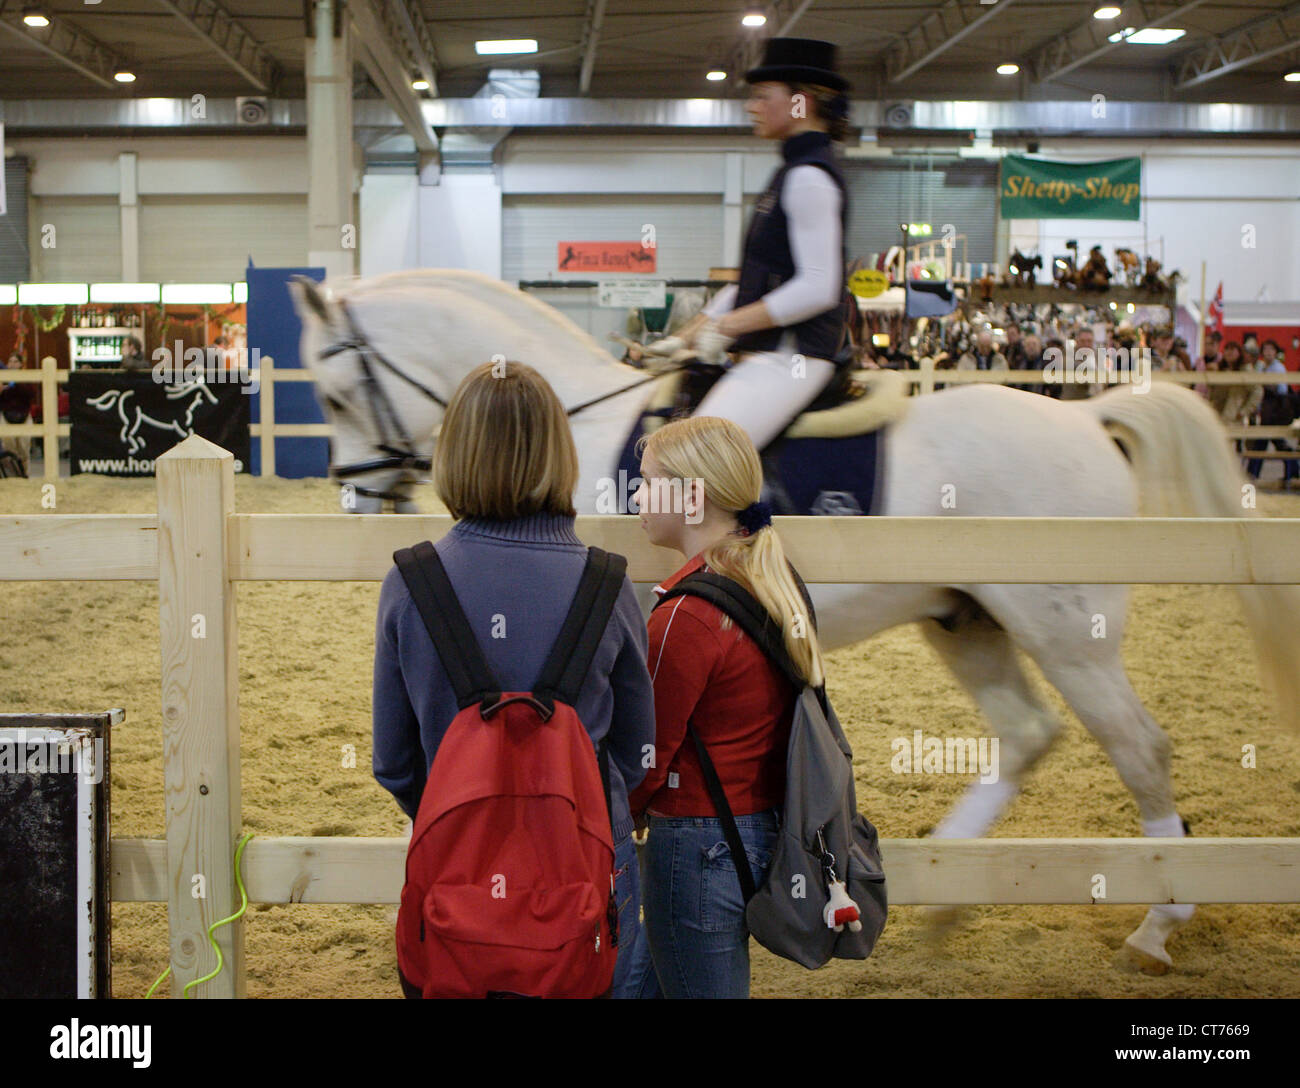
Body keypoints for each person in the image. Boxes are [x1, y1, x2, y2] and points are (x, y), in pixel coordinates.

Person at [371, 360, 656, 998]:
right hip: (585, 876)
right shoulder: (608, 583)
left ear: (455, 453)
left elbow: (393, 763)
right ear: (560, 454)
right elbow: (637, 757)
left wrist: (471, 809)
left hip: (457, 883)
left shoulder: (411, 582)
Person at [625, 414, 825, 998]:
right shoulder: (771, 579)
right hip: (753, 828)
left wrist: (621, 815)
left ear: (692, 497)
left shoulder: (684, 616)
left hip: (694, 841)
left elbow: (648, 752)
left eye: (647, 481)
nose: (636, 493)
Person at [662, 38, 852, 452]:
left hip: (794, 357)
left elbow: (819, 287)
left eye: (763, 96)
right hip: (772, 353)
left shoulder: (808, 177)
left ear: (801, 103)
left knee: (699, 456)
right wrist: (685, 337)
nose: (752, 106)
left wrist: (725, 327)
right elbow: (753, 284)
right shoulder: (789, 173)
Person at [1245, 340, 1298, 484]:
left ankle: (1252, 473)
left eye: (1271, 349)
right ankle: (1293, 469)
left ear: (1275, 352)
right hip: (1268, 411)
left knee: (1263, 441)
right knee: (1275, 441)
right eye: (1266, 349)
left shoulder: (1278, 368)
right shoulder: (1262, 368)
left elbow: (1281, 390)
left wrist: (1265, 385)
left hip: (1276, 411)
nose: (1268, 352)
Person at [1, 353, 35, 475]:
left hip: (23, 416)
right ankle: (13, 475)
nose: (12, 364)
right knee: (9, 447)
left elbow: (30, 394)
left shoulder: (26, 377)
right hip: (6, 416)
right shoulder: (2, 377)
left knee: (24, 448)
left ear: (21, 364)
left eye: (15, 361)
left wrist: (16, 383)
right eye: (10, 361)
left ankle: (25, 474)